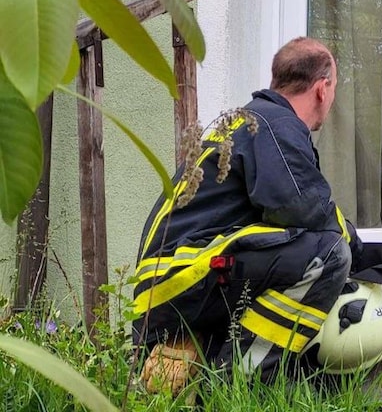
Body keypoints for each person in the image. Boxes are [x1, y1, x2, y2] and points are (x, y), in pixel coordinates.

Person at [132, 37, 359, 395]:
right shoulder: (275, 124)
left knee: (296, 251)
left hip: (169, 280)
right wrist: (362, 256)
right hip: (183, 277)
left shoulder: (250, 121)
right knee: (328, 255)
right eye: (333, 91)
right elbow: (304, 209)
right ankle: (235, 387)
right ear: (322, 88)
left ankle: (194, 356)